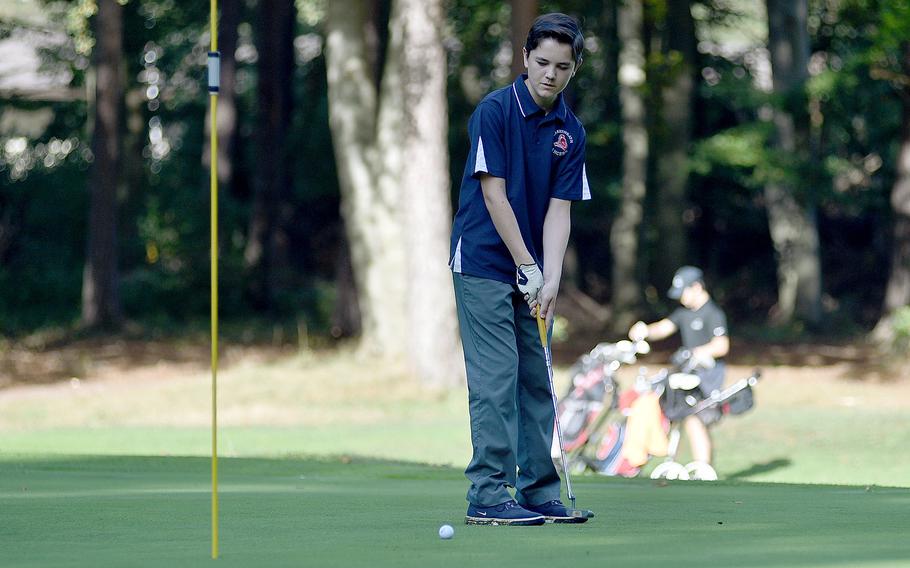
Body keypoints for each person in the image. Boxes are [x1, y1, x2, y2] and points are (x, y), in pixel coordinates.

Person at [449, 13, 591, 526]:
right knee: (497, 377)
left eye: (562, 66)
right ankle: (488, 492)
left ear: (574, 69)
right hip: (485, 262)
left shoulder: (570, 131)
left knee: (537, 377)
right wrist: (527, 264)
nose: (550, 74)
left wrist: (550, 277)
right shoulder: (494, 112)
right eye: (542, 63)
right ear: (525, 59)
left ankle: (537, 490)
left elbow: (560, 207)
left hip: (532, 270)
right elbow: (494, 193)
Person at [628, 266, 730, 468]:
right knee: (682, 416)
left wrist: (696, 352)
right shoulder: (684, 314)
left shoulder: (713, 313)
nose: (681, 298)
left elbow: (722, 345)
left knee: (695, 420)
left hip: (707, 378)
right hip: (688, 376)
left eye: (683, 292)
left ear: (697, 287)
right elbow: (663, 328)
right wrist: (644, 330)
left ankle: (703, 469)